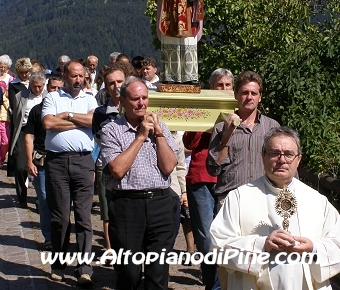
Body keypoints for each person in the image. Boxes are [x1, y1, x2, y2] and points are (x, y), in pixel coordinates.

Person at [210, 126, 340, 290]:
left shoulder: (317, 200)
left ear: (298, 159)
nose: (281, 159)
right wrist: (262, 244)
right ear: (262, 156)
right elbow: (218, 245)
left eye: (288, 154)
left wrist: (313, 248)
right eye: (274, 153)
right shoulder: (239, 197)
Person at [100, 77, 179, 290]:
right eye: (135, 99)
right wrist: (141, 136)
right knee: (128, 273)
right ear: (123, 101)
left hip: (161, 204)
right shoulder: (111, 131)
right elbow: (117, 170)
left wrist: (159, 134)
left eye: (145, 98)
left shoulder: (161, 127)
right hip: (127, 206)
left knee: (158, 273)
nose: (141, 103)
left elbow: (169, 166)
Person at [41, 60, 97, 287]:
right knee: (61, 217)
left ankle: (84, 267)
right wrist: (80, 122)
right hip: (57, 162)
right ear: (65, 76)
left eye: (81, 76)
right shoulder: (52, 98)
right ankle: (58, 263)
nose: (77, 80)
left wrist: (68, 116)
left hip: (84, 161)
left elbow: (94, 121)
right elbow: (47, 123)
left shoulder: (90, 98)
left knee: (84, 217)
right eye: (73, 76)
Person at [183, 68, 233, 290]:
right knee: (205, 238)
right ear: (211, 87)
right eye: (219, 85)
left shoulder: (239, 107)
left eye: (227, 85)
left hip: (229, 178)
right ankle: (212, 286)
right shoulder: (200, 105)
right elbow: (189, 143)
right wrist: (209, 125)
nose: (223, 89)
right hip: (202, 176)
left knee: (229, 236)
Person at [207, 71, 280, 208]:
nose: (249, 97)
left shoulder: (273, 127)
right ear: (236, 95)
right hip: (231, 199)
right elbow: (214, 169)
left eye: (254, 93)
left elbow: (282, 162)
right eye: (245, 93)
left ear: (260, 97)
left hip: (264, 198)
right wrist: (227, 134)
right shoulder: (221, 128)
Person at [91, 63, 130, 251]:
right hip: (107, 166)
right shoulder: (100, 113)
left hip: (136, 167)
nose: (116, 86)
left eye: (120, 81)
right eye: (111, 83)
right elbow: (103, 141)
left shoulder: (138, 107)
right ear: (106, 87)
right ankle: (110, 250)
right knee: (108, 212)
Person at [24, 74, 63, 251]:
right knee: (45, 199)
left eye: (59, 88)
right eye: (53, 87)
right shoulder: (37, 110)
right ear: (48, 88)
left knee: (62, 201)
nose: (56, 91)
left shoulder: (68, 111)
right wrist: (29, 161)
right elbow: (28, 137)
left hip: (62, 159)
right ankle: (48, 237)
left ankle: (62, 235)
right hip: (41, 159)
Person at [10, 71, 46, 204]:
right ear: (30, 85)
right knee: (20, 166)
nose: (37, 89)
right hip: (24, 130)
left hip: (41, 132)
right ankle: (21, 196)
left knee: (40, 166)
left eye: (40, 87)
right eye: (35, 86)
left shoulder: (48, 96)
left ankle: (39, 198)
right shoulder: (21, 96)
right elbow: (15, 115)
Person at [0, 80, 10, 172]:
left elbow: (9, 108)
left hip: (6, 123)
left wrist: (3, 98)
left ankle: (2, 158)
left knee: (5, 142)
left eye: (2, 89)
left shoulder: (7, 98)